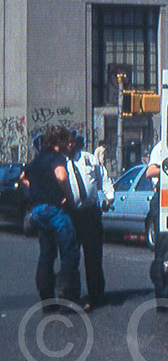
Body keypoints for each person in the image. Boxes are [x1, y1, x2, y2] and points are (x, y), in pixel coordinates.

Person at [22, 125, 81, 308]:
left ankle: (46, 297)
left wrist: (35, 191)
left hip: (38, 210)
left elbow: (23, 176)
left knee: (46, 254)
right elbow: (61, 176)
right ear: (60, 141)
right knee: (69, 251)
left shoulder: (37, 159)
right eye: (66, 140)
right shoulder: (58, 158)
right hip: (55, 209)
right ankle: (66, 293)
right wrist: (68, 197)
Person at [67, 132, 114, 310]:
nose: (70, 146)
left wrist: (109, 197)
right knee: (70, 257)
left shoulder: (89, 159)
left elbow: (103, 178)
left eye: (72, 142)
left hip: (90, 213)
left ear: (77, 142)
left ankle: (96, 295)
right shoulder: (59, 163)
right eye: (67, 142)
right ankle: (72, 296)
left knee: (93, 256)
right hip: (70, 215)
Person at [145, 141, 168, 299]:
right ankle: (161, 291)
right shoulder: (162, 146)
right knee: (162, 246)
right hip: (161, 195)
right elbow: (150, 171)